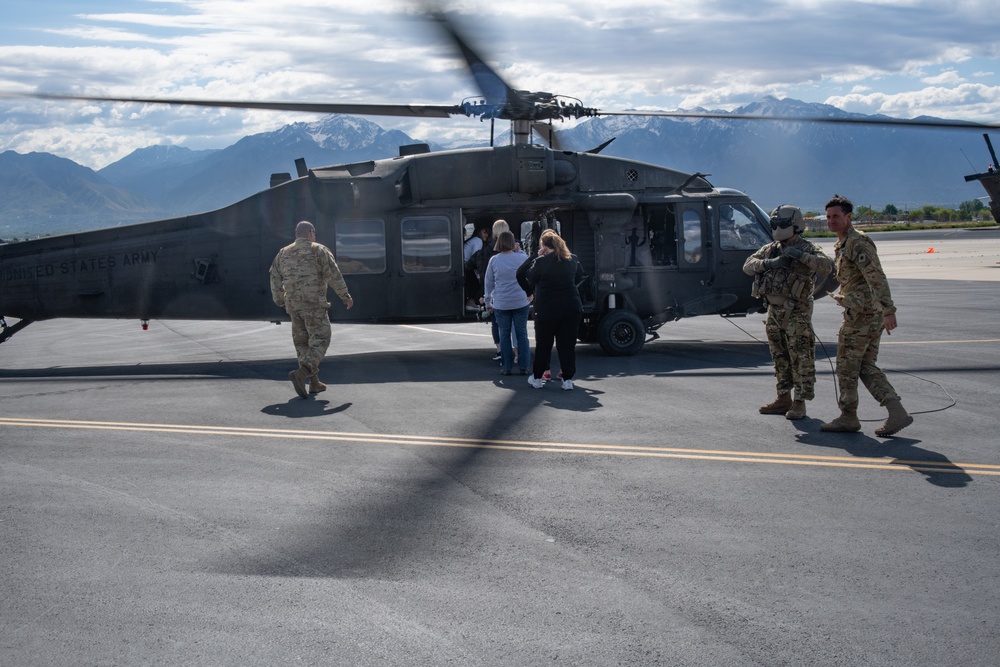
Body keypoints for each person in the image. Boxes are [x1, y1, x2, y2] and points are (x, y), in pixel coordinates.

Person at [820, 194, 913, 436]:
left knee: (846, 367)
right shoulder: (843, 243)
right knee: (864, 365)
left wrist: (888, 310)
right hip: (864, 312)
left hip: (862, 316)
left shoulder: (857, 243)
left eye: (836, 216)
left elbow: (876, 276)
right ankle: (896, 411)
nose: (831, 221)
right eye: (828, 217)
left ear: (848, 217)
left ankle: (848, 416)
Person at [743, 205, 833, 420]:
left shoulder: (808, 248)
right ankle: (783, 397)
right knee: (780, 357)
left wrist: (801, 256)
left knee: (801, 357)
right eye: (775, 224)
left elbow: (826, 266)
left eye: (781, 224)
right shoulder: (771, 249)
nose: (778, 228)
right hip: (774, 312)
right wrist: (769, 263)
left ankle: (800, 402)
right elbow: (748, 265)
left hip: (796, 313)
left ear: (795, 225)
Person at [269, 220, 354, 399]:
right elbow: (333, 274)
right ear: (311, 233)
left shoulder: (283, 253)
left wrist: (280, 299)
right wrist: (345, 296)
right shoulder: (319, 250)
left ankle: (314, 383)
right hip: (314, 305)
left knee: (302, 343)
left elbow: (274, 276)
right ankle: (303, 372)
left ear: (296, 234)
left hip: (293, 306)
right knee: (322, 338)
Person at [517, 229, 584, 390]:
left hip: (546, 308)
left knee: (544, 345)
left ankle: (538, 378)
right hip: (571, 306)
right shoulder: (572, 259)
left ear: (544, 246)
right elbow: (580, 275)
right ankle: (567, 379)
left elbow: (528, 275)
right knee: (567, 345)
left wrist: (536, 256)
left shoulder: (541, 262)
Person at [483, 231, 531, 375]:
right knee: (522, 334)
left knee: (504, 335)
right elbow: (530, 272)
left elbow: (489, 283)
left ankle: (506, 367)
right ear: (513, 243)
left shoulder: (494, 260)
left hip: (501, 303)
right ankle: (524, 366)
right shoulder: (522, 258)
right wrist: (519, 250)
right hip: (520, 301)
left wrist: (487, 302)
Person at [464, 225, 490, 310]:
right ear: (479, 232)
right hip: (467, 268)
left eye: (487, 233)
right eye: (484, 232)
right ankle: (474, 302)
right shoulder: (478, 241)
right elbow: (476, 259)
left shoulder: (473, 240)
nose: (486, 235)